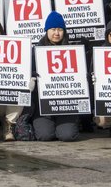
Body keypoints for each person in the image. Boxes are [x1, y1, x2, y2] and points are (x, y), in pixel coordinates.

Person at [29, 13, 81, 143]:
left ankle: (67, 124)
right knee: (45, 136)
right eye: (53, 29)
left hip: (66, 106)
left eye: (60, 29)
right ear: (47, 31)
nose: (56, 33)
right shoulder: (36, 51)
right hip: (43, 107)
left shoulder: (73, 50)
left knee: (67, 136)